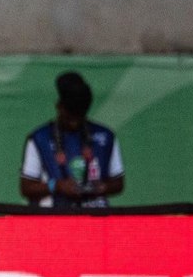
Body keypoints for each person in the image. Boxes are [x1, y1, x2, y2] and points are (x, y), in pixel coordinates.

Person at [20, 71, 124, 208]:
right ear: (59, 107)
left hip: (96, 219)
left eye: (79, 117)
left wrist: (100, 187)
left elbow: (118, 183)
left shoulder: (105, 136)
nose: (74, 123)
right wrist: (57, 186)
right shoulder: (40, 138)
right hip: (53, 219)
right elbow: (26, 187)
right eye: (70, 117)